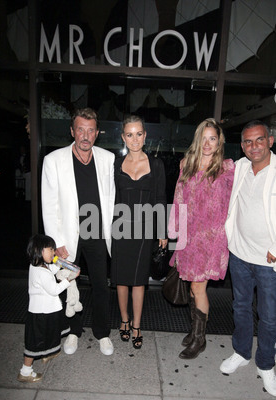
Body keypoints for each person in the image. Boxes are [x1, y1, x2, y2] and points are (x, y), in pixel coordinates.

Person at [41, 108, 115, 356]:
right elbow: (49, 205)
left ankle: (102, 333)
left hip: (97, 233)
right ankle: (73, 331)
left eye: (90, 130)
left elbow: (113, 197)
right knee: (69, 285)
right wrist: (57, 242)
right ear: (72, 131)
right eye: (80, 129)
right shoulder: (53, 160)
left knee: (100, 286)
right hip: (67, 238)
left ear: (97, 133)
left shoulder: (107, 159)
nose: (85, 135)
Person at [220, 120, 276, 397]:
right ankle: (242, 352)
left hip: (271, 260)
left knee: (269, 317)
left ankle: (266, 364)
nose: (253, 146)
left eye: (259, 140)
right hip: (240, 254)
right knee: (241, 307)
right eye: (247, 141)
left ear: (270, 140)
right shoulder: (241, 168)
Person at [168, 118, 235, 359]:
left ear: (219, 142)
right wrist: (174, 232)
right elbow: (178, 198)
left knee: (198, 287)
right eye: (204, 138)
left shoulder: (228, 168)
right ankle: (195, 330)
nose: (207, 143)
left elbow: (235, 203)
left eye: (213, 139)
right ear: (198, 139)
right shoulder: (186, 164)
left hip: (212, 239)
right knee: (193, 288)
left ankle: (199, 339)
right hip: (190, 237)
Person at [111, 115, 167, 349]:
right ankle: (124, 320)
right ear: (124, 137)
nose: (135, 139)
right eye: (130, 134)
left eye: (139, 134)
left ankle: (137, 325)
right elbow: (110, 198)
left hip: (144, 231)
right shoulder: (115, 163)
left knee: (138, 281)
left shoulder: (156, 164)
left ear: (145, 135)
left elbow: (161, 199)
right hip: (120, 228)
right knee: (121, 280)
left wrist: (162, 231)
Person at [18, 234, 79, 383]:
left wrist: (61, 262)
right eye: (51, 249)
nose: (53, 252)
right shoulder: (41, 272)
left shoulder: (36, 265)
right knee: (34, 342)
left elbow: (51, 269)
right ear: (39, 250)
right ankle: (25, 371)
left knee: (44, 336)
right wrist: (69, 279)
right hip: (41, 314)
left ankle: (46, 352)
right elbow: (54, 289)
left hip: (44, 312)